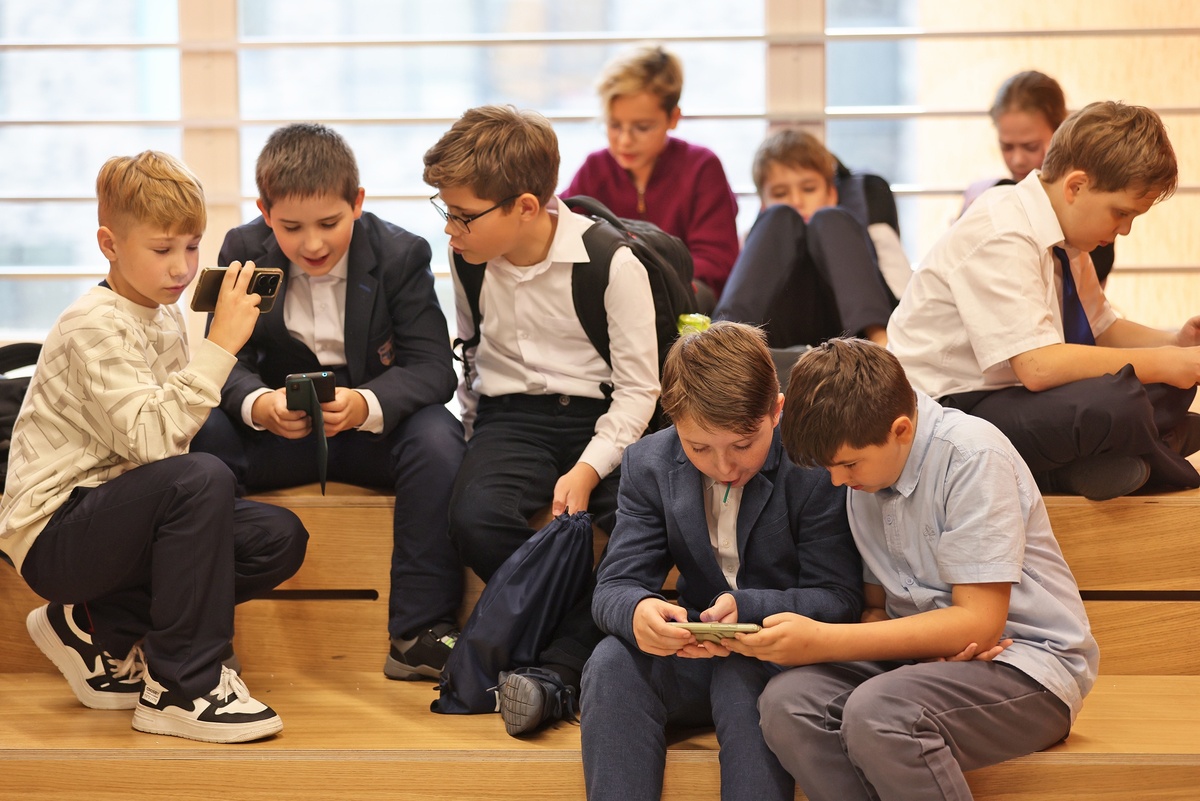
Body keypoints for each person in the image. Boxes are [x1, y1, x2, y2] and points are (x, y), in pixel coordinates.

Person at [0, 151, 309, 743]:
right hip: (52, 531)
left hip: (114, 512)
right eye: (163, 249)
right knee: (203, 477)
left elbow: (166, 448)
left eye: (192, 247)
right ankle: (181, 687)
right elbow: (154, 443)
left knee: (276, 537)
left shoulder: (163, 317)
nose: (182, 267)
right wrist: (222, 346)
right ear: (109, 245)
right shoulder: (92, 324)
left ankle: (94, 625)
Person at [725, 337, 1099, 801]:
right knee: (788, 704)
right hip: (922, 669)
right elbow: (876, 608)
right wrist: (925, 647)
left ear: (901, 430)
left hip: (1025, 666)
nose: (837, 480)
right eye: (829, 467)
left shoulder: (971, 455)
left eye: (848, 464)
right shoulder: (865, 475)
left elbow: (980, 625)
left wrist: (821, 641)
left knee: (880, 713)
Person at [190, 123, 466, 682]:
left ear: (357, 203)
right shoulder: (242, 250)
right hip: (276, 430)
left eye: (329, 224)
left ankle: (418, 632)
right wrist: (259, 405)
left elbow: (434, 367)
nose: (312, 244)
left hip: (370, 430)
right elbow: (223, 359)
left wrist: (366, 403)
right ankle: (202, 637)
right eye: (291, 228)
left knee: (438, 437)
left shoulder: (400, 253)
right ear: (265, 212)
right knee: (202, 435)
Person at [423, 104, 660, 737]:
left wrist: (588, 469)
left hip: (607, 418)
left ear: (525, 207)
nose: (450, 228)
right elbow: (472, 353)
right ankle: (574, 642)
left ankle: (555, 665)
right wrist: (473, 438)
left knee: (636, 529)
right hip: (513, 418)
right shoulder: (469, 256)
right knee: (474, 517)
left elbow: (640, 390)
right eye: (445, 210)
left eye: (463, 215)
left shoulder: (611, 262)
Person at [581, 322, 863, 801]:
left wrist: (749, 608)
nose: (724, 466)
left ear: (777, 411)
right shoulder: (648, 463)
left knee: (742, 675)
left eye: (743, 444)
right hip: (695, 654)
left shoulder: (813, 466)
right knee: (611, 662)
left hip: (785, 659)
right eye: (698, 448)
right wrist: (637, 612)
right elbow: (614, 585)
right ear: (673, 420)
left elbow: (839, 599)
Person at [888, 101, 1200, 501]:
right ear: (1076, 186)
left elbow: (1102, 328)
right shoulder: (1003, 230)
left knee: (1164, 387)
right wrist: (1165, 362)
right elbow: (1038, 367)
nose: (1124, 230)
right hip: (949, 409)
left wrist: (1175, 345)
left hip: (1013, 397)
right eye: (1120, 213)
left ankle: (1110, 456)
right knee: (1120, 401)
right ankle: (1090, 465)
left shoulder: (1067, 235)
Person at [563, 43, 740, 304]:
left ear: (673, 118)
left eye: (642, 127)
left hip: (684, 297)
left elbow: (716, 262)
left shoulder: (702, 167)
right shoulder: (595, 168)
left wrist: (649, 282)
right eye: (614, 125)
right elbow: (562, 231)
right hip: (612, 296)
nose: (624, 141)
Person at [714, 129, 906, 348]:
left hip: (853, 338)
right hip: (770, 338)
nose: (796, 201)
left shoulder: (869, 232)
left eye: (808, 189)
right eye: (780, 193)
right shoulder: (761, 238)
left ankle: (881, 342)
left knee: (829, 219)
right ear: (763, 204)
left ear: (832, 193)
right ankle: (722, 344)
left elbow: (904, 297)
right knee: (780, 218)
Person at [961, 71, 1114, 282]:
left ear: (1060, 131)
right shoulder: (986, 195)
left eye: (1030, 146)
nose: (1017, 160)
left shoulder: (1090, 199)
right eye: (1007, 147)